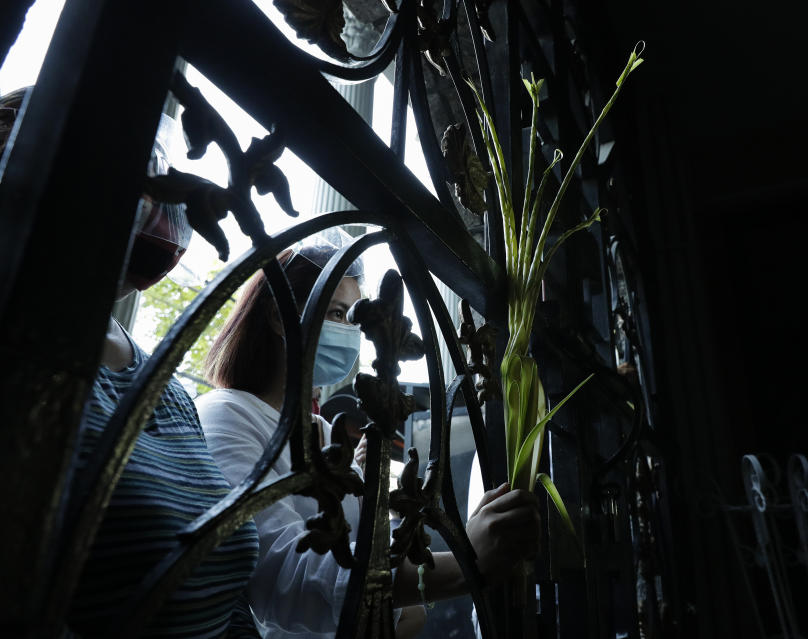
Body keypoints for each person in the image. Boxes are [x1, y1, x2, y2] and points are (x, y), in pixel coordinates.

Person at [1, 89, 261, 636]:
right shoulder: (20, 355)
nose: (163, 201)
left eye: (159, 176)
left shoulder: (161, 383)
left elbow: (227, 589)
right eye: (139, 177)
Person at [197, 238, 541, 638]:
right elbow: (280, 574)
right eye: (338, 314)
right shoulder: (224, 414)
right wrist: (468, 563)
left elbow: (366, 556)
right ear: (279, 316)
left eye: (353, 319)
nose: (350, 333)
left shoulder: (322, 431)